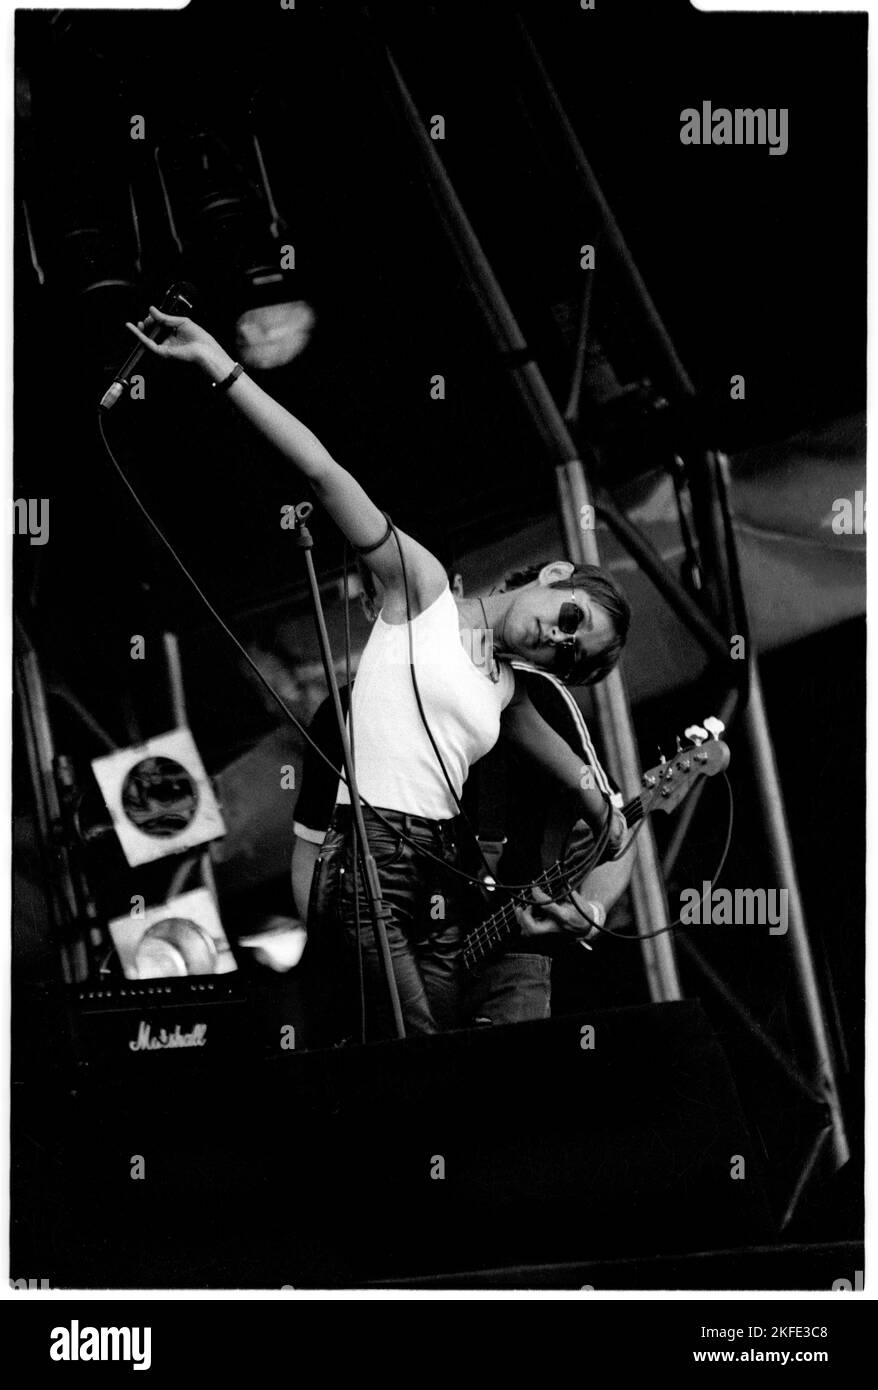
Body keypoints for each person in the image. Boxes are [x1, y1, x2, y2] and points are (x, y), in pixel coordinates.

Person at [127, 304, 631, 1039]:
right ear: (555, 575)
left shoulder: (510, 693)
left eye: (571, 654)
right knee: (419, 1044)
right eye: (572, 618)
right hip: (370, 856)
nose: (557, 639)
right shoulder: (423, 592)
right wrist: (221, 369)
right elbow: (323, 471)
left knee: (445, 1066)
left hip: (443, 874)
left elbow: (597, 801)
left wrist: (602, 862)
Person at [291, 568, 636, 1038]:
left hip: (509, 958)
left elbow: (618, 828)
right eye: (381, 598)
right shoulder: (342, 712)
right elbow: (310, 858)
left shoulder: (532, 697)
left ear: (453, 591)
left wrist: (590, 915)